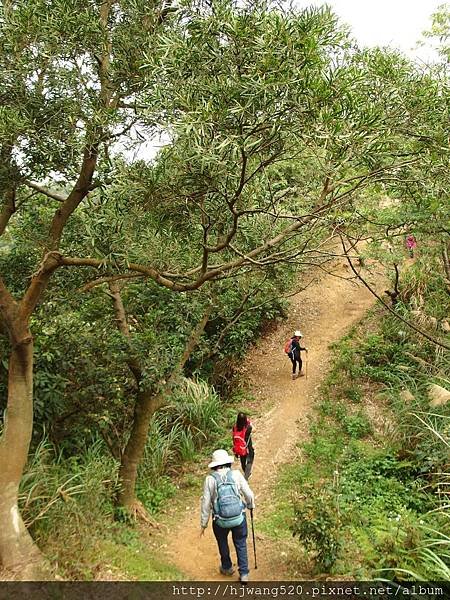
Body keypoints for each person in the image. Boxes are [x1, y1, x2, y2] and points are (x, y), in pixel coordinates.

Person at [200, 449, 255, 583]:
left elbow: (206, 503)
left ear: (214, 465)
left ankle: (227, 567)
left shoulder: (210, 480)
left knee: (222, 542)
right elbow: (249, 494)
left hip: (220, 521)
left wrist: (203, 523)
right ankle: (244, 573)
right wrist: (250, 505)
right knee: (240, 543)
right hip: (238, 518)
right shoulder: (236, 474)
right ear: (228, 462)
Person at [232, 413, 254, 480]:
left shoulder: (234, 427)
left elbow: (233, 438)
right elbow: (253, 429)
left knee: (243, 462)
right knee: (250, 460)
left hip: (239, 449)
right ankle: (246, 477)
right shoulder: (248, 428)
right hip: (247, 448)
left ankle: (247, 474)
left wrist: (235, 451)